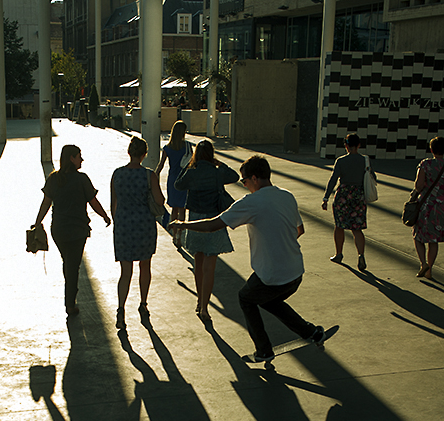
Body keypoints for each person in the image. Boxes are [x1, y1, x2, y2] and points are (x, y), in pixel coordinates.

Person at [170, 155, 324, 362]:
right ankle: (311, 332)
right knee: (270, 301)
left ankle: (263, 350)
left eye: (244, 181)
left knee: (246, 298)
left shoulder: (252, 202)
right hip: (296, 271)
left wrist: (183, 224)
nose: (244, 185)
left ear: (254, 178)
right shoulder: (287, 195)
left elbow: (213, 225)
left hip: (273, 275)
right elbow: (300, 229)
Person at [33, 145, 110, 316]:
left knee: (68, 262)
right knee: (73, 266)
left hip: (58, 230)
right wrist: (105, 216)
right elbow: (93, 201)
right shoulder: (82, 179)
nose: (81, 160)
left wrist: (37, 222)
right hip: (77, 231)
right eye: (79, 156)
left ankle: (69, 294)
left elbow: (46, 203)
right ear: (71, 158)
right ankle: (69, 304)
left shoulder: (54, 179)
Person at [173, 139, 239, 321]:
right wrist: (219, 164)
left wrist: (188, 166)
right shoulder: (217, 172)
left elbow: (178, 185)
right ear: (211, 154)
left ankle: (200, 301)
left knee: (198, 264)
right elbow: (235, 176)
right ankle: (204, 307)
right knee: (210, 267)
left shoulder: (192, 172)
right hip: (214, 220)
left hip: (195, 219)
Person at [111, 136, 164, 329]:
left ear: (129, 152)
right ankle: (143, 304)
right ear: (144, 155)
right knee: (145, 266)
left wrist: (118, 222)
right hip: (144, 225)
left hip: (124, 225)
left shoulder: (117, 174)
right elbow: (159, 201)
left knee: (125, 272)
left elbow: (113, 204)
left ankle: (120, 309)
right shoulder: (149, 175)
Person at [321, 132, 376, 271]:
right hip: (359, 195)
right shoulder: (365, 160)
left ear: (346, 146)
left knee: (339, 226)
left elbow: (333, 179)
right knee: (357, 228)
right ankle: (361, 255)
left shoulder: (341, 161)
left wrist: (326, 197)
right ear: (359, 145)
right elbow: (373, 177)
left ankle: (339, 254)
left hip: (343, 195)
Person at [411, 136, 444, 279]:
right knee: (434, 240)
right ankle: (429, 270)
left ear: (431, 149)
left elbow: (419, 185)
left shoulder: (425, 164)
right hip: (441, 207)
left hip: (426, 206)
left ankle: (423, 263)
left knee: (418, 235)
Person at [154, 119, 191, 223]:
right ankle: (180, 231)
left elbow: (161, 164)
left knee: (174, 208)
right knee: (182, 208)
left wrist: (154, 175)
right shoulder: (187, 146)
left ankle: (174, 232)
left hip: (173, 179)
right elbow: (193, 162)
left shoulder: (168, 148)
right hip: (184, 178)